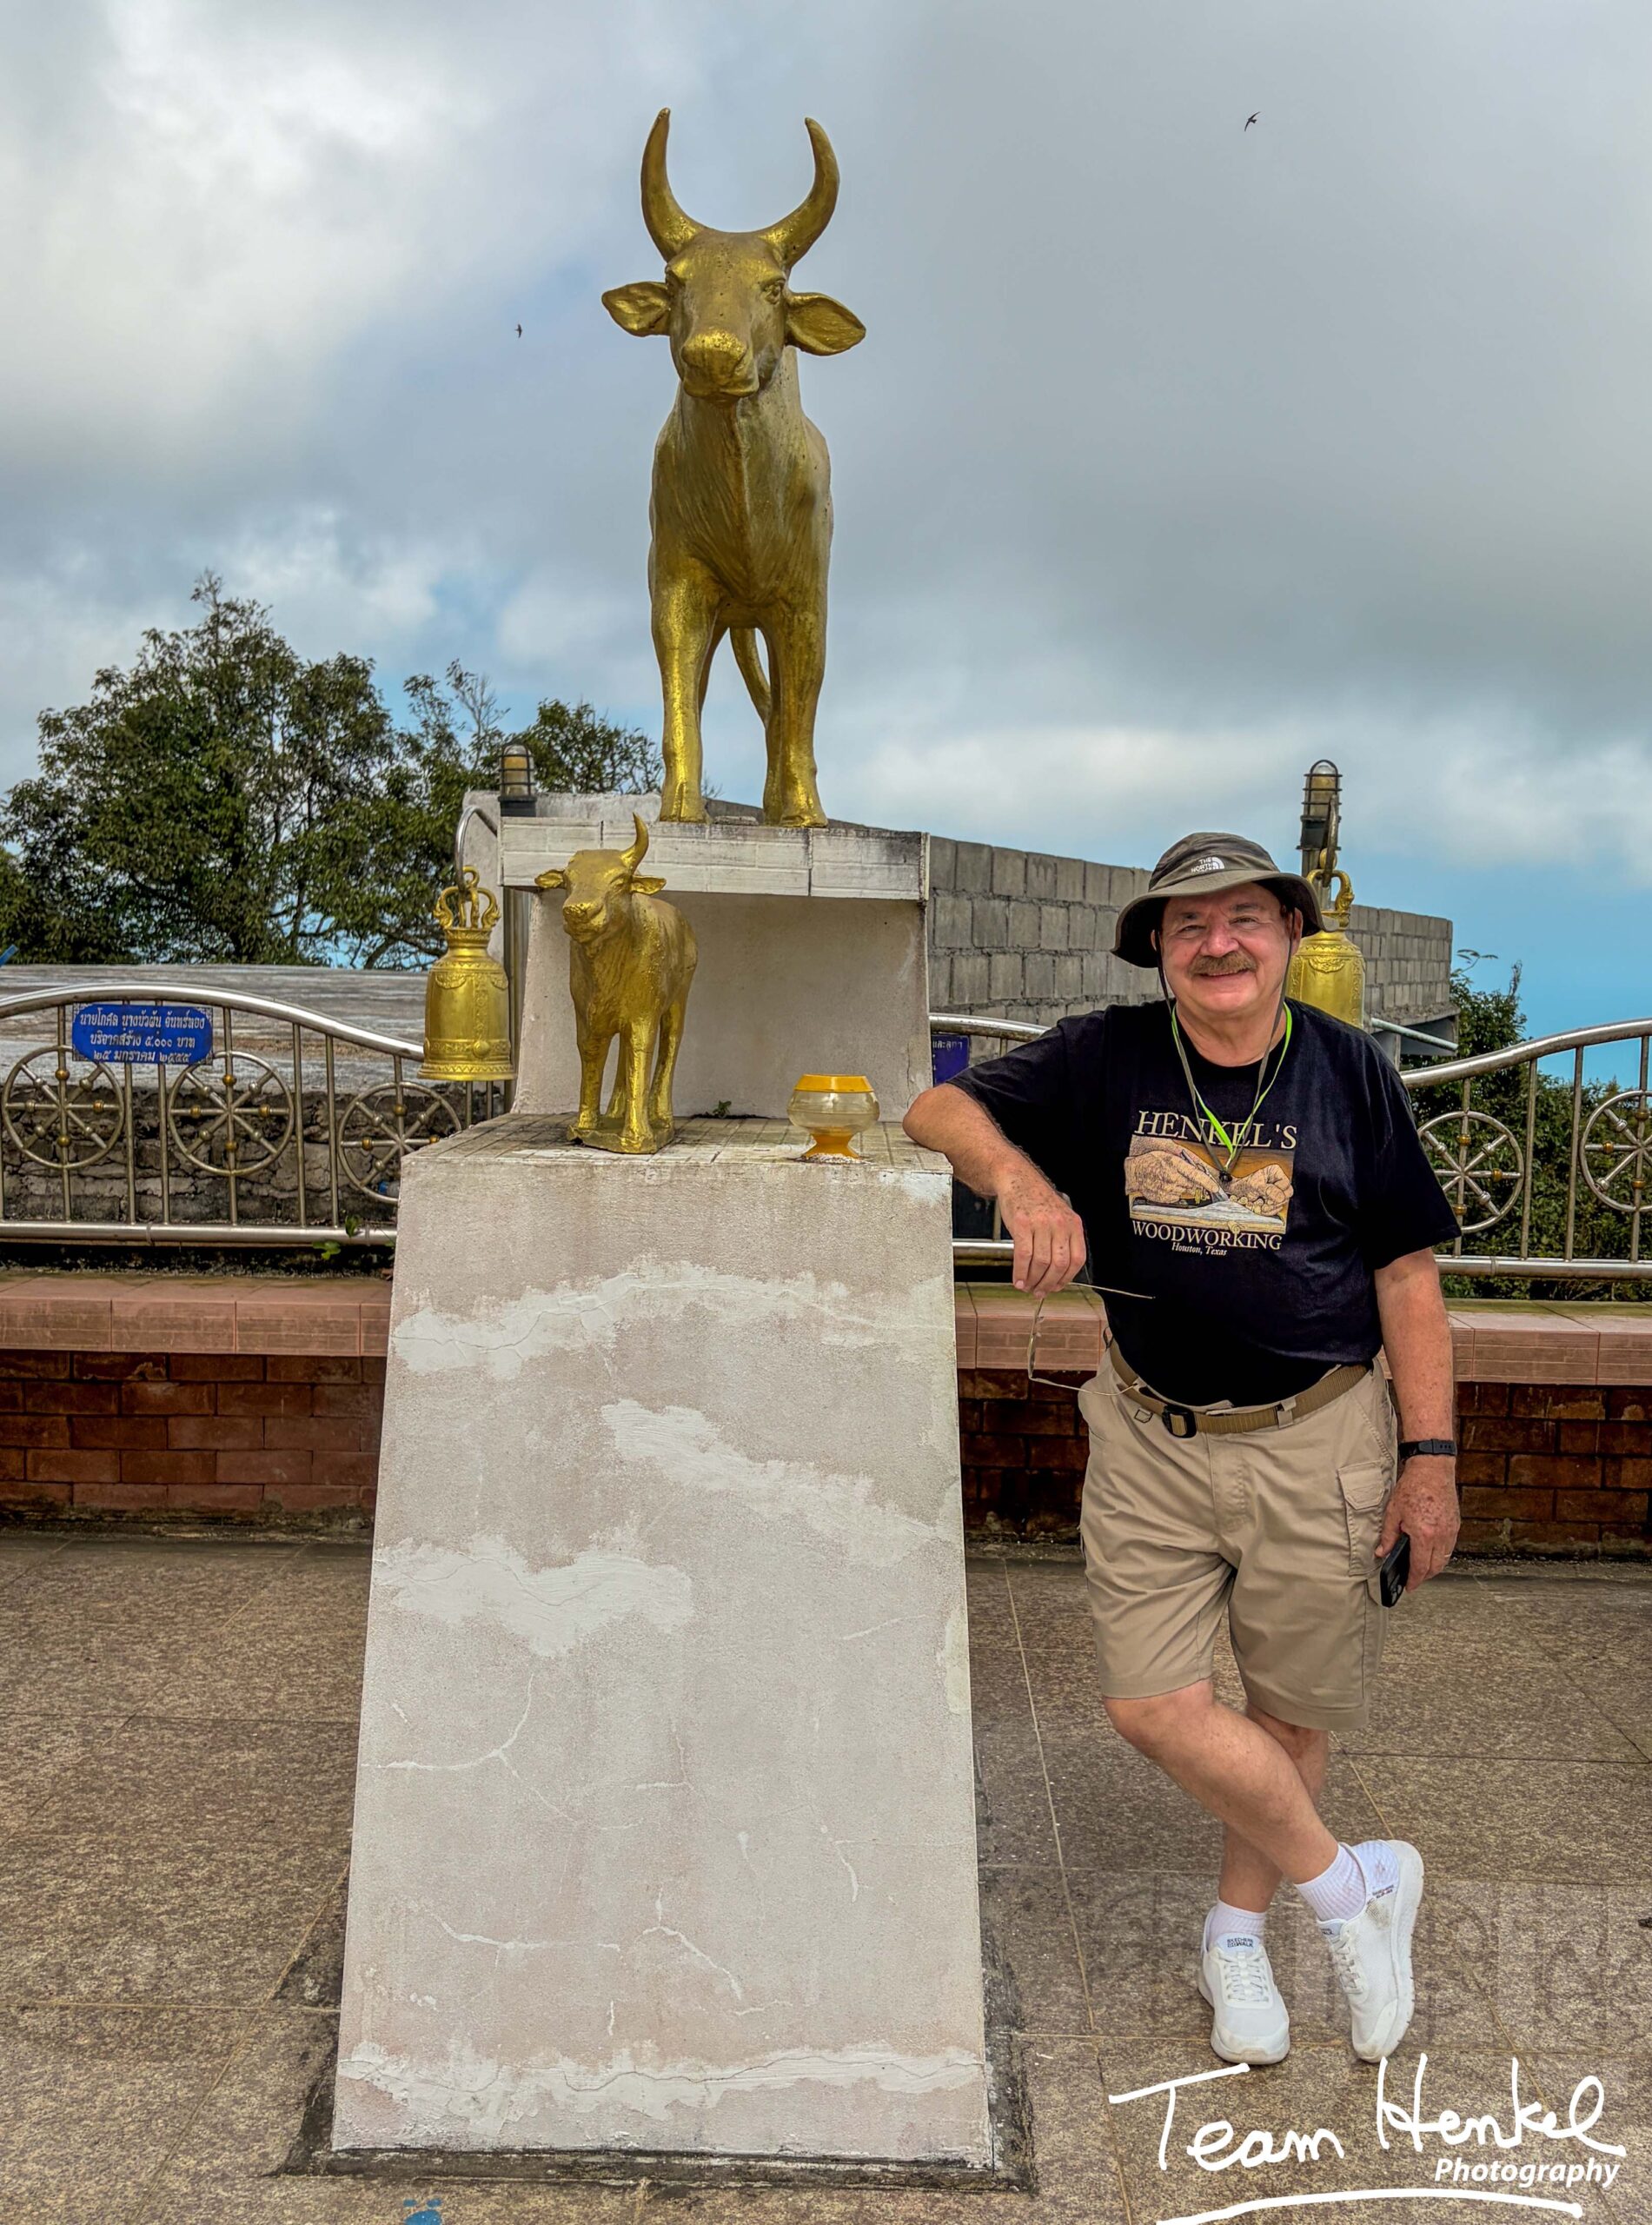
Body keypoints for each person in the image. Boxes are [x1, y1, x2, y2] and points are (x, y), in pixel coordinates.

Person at [904, 831, 1460, 2065]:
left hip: (1317, 1434)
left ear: (1289, 934)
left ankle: (1235, 1937)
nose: (1219, 944)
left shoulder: (1350, 1074)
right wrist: (1023, 1187)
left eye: (1244, 918)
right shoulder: (1105, 1054)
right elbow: (935, 1104)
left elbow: (1407, 1276)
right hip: (1151, 1434)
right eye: (1188, 924)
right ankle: (1352, 1888)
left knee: (1289, 1711)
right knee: (1151, 1703)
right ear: (1156, 948)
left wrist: (1430, 1459)